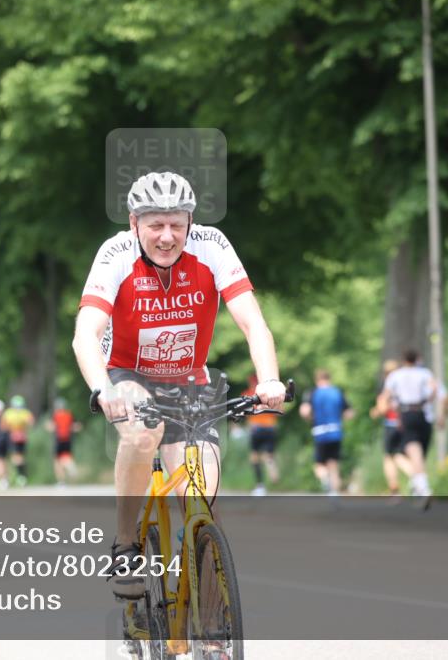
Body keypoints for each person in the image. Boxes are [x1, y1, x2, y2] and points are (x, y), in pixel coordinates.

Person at [73, 171, 286, 599]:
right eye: (156, 225)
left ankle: (211, 628)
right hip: (127, 373)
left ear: (190, 221)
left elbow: (253, 323)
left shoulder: (212, 246)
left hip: (191, 380)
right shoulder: (115, 253)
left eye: (177, 224)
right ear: (134, 224)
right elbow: (85, 335)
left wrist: (268, 379)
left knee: (202, 504)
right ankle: (125, 544)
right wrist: (103, 390)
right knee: (141, 432)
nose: (168, 237)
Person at [380, 349, 437, 507]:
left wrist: (390, 410)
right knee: (421, 454)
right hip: (422, 413)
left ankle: (422, 488)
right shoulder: (424, 373)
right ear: (417, 359)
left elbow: (385, 397)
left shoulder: (395, 376)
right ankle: (417, 486)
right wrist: (427, 401)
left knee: (414, 453)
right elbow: (434, 389)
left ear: (403, 360)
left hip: (406, 414)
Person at [300, 370, 355, 495]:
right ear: (329, 378)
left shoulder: (312, 393)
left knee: (319, 465)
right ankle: (334, 495)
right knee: (334, 465)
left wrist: (310, 419)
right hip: (336, 431)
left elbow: (305, 411)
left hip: (320, 432)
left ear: (317, 380)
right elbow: (349, 413)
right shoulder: (337, 392)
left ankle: (325, 479)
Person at [370, 360, 405, 496]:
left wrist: (375, 412)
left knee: (391, 457)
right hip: (405, 423)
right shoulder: (404, 384)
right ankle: (418, 480)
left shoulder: (386, 385)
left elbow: (382, 407)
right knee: (400, 454)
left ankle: (396, 489)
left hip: (391, 423)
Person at [243, 374, 280, 496]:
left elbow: (244, 413)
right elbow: (279, 411)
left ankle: (260, 486)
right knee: (268, 455)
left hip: (256, 428)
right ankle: (271, 468)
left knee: (254, 456)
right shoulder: (269, 394)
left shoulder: (247, 394)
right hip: (270, 427)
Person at [46, 398, 82, 486]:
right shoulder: (69, 415)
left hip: (58, 440)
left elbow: (51, 427)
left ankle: (61, 481)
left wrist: (48, 426)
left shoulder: (55, 415)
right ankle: (70, 467)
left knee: (57, 461)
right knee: (66, 457)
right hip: (68, 439)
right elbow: (77, 426)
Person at [1, 396, 34, 486]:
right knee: (18, 458)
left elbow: (3, 426)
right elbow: (31, 423)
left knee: (16, 458)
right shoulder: (25, 412)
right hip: (19, 438)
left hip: (16, 438)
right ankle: (21, 476)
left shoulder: (9, 413)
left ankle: (21, 476)